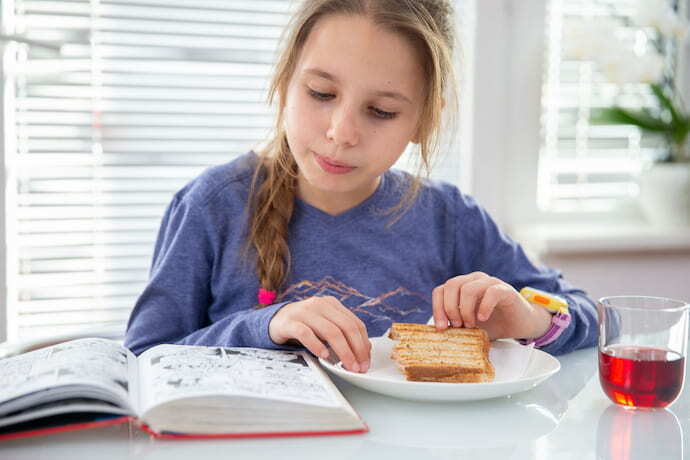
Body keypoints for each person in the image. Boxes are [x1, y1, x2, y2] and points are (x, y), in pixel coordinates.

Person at [124, 0, 598, 373]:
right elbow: (144, 357)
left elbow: (588, 315)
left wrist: (530, 319)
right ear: (285, 83)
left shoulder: (450, 219)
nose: (342, 132)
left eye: (381, 111)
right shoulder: (212, 206)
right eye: (321, 94)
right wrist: (265, 325)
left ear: (422, 120)